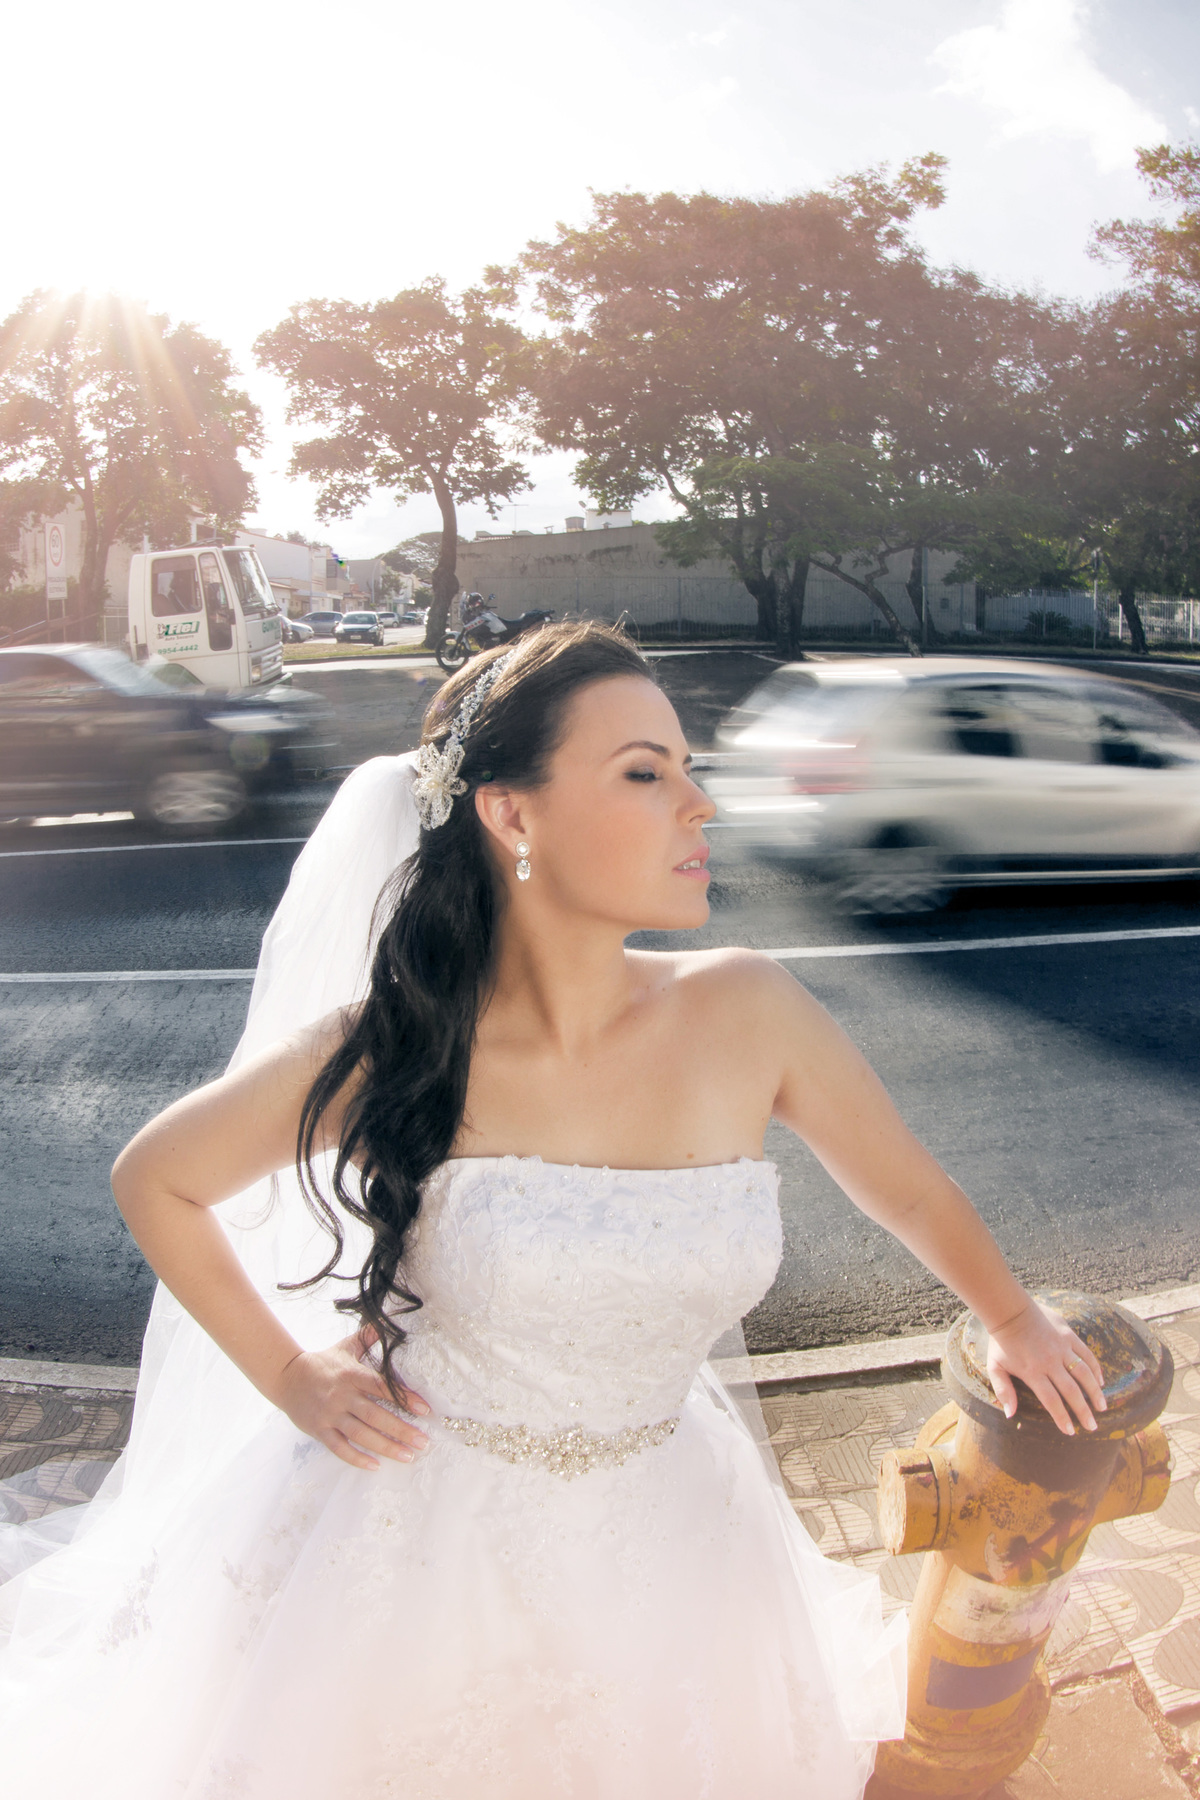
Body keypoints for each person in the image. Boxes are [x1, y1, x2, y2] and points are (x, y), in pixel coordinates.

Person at [0, 623, 1105, 1799]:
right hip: (414, 1548)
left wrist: (1013, 1316)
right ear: (510, 816)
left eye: (689, 767)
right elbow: (155, 1178)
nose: (700, 806)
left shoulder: (749, 1007)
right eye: (645, 771)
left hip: (672, 1536)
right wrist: (289, 1377)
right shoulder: (400, 1046)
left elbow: (906, 1185)